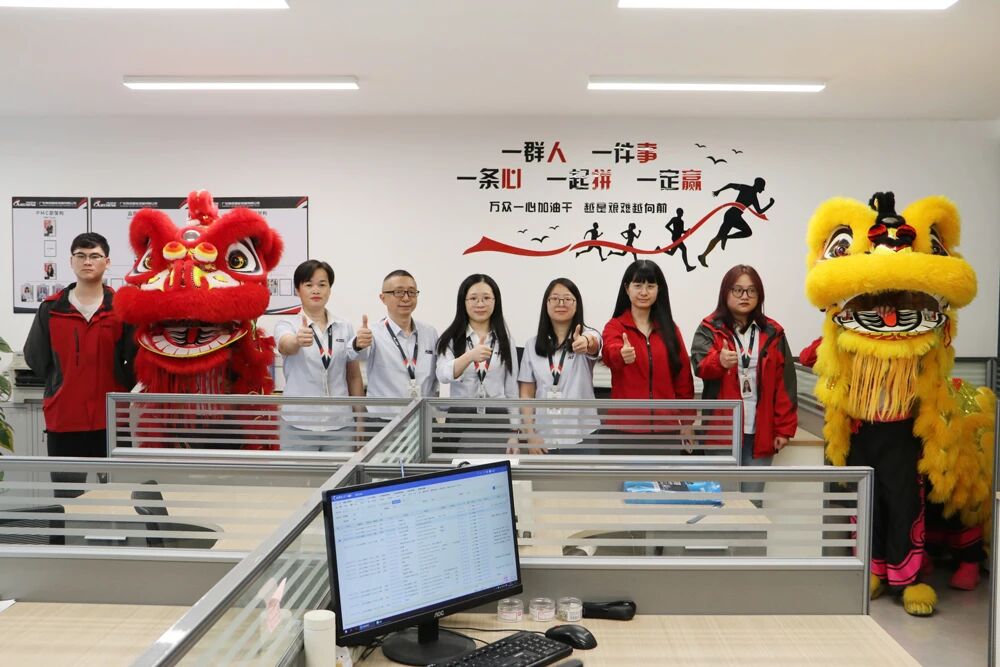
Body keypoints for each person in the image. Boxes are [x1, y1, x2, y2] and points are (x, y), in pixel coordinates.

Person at [24, 232, 136, 497]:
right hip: (65, 418)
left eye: (95, 256)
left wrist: (120, 385)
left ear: (107, 262)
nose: (88, 261)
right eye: (81, 256)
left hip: (111, 419)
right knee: (67, 497)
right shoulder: (52, 309)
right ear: (71, 261)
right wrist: (61, 385)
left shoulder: (121, 309)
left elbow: (135, 358)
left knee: (119, 495)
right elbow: (36, 357)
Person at [689, 265, 797, 499]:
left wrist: (784, 428)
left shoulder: (773, 332)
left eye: (751, 291)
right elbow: (699, 365)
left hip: (761, 431)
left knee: (752, 503)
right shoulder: (710, 328)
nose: (745, 296)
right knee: (723, 502)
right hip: (721, 430)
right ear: (725, 293)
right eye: (737, 290)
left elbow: (785, 384)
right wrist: (718, 361)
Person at [274, 260, 373, 450]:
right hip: (298, 424)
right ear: (297, 290)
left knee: (342, 471)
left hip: (340, 425)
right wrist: (297, 340)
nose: (316, 290)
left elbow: (353, 376)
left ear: (329, 290)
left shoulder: (344, 327)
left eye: (322, 284)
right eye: (308, 284)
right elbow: (286, 346)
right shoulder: (287, 324)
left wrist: (360, 420)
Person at [601, 259, 694, 453]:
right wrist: (621, 354)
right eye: (638, 285)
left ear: (659, 289)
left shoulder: (670, 329)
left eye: (650, 286)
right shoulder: (615, 326)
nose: (644, 292)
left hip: (665, 430)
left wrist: (687, 421)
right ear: (627, 288)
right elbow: (609, 352)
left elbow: (683, 378)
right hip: (623, 430)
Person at [516, 278, 602, 454]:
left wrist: (585, 342)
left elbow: (594, 343)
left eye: (567, 299)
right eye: (554, 298)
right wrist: (530, 435)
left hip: (583, 435)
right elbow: (526, 394)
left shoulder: (586, 336)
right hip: (542, 438)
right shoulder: (532, 345)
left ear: (577, 304)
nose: (561, 303)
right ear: (546, 304)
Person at [436, 274, 518, 450]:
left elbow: (511, 391)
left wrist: (514, 432)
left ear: (495, 302)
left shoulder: (505, 340)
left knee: (497, 466)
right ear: (463, 302)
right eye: (473, 298)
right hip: (460, 418)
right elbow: (443, 375)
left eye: (486, 298)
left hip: (497, 418)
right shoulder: (450, 339)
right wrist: (469, 356)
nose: (480, 304)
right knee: (459, 466)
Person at [361, 269, 439, 416]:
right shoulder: (372, 332)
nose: (406, 298)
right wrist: (358, 344)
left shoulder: (430, 332)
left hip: (422, 418)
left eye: (411, 292)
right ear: (383, 298)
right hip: (383, 419)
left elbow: (437, 375)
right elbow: (354, 354)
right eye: (398, 292)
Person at [698, 177, 775, 267]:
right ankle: (705, 254)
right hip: (732, 215)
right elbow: (760, 211)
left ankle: (704, 254)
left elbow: (759, 212)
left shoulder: (751, 194)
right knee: (723, 236)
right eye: (762, 187)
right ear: (757, 185)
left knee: (740, 233)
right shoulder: (747, 190)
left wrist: (718, 191)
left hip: (734, 216)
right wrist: (770, 204)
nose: (763, 189)